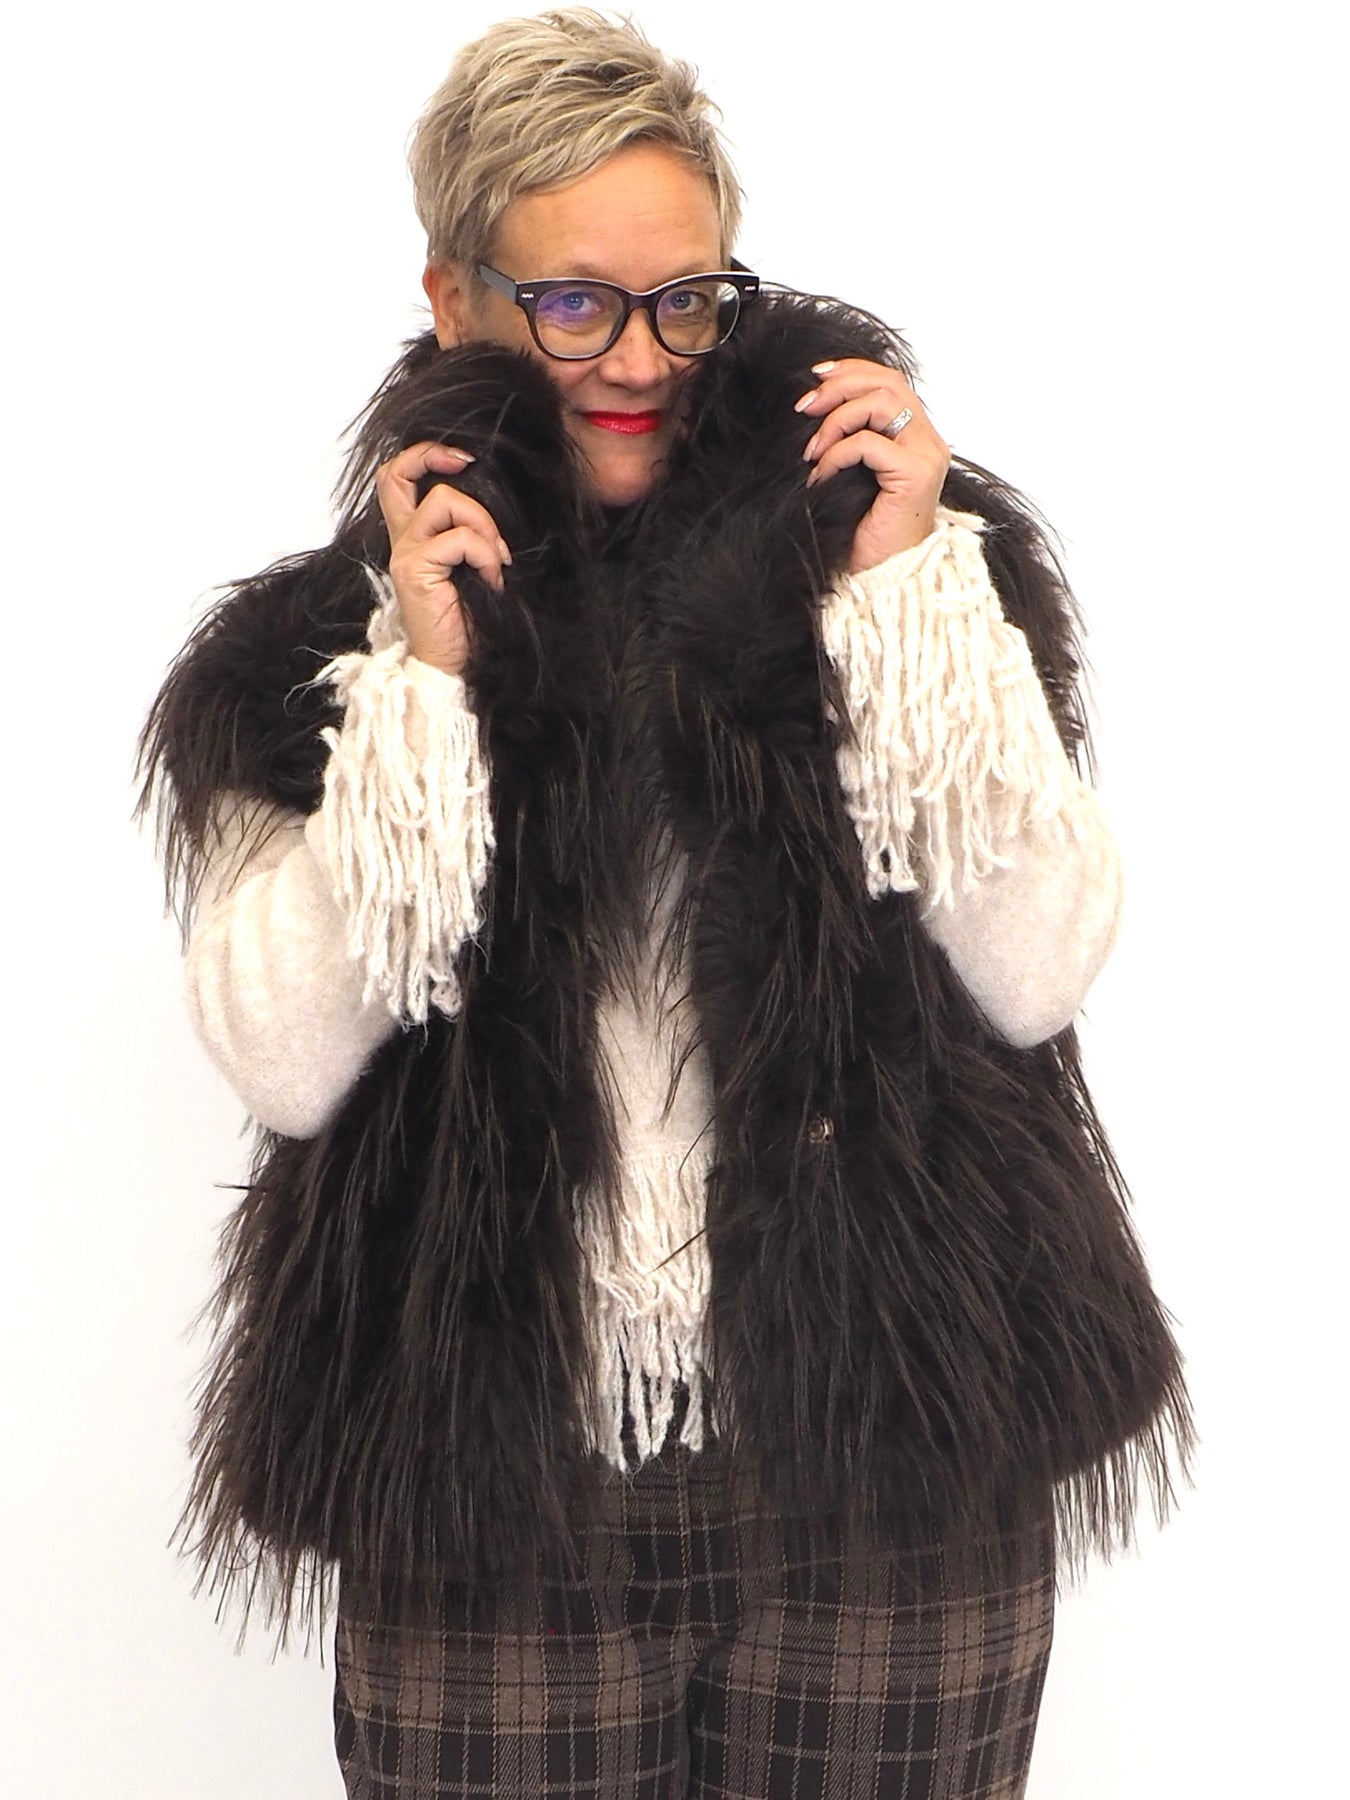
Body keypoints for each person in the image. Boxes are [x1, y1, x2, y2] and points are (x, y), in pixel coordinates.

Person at [141, 10, 1190, 1796]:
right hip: (495, 1482)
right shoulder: (311, 653)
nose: (637, 358)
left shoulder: (913, 572)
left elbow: (1034, 968)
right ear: (452, 298)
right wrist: (425, 691)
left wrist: (902, 602)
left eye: (684, 299)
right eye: (571, 302)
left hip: (889, 1446)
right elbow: (287, 1062)